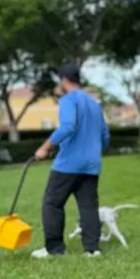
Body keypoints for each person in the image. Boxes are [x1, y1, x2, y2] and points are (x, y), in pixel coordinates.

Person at [31, 62, 110, 259]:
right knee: (88, 206)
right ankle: (93, 249)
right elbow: (104, 135)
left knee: (52, 203)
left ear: (64, 80)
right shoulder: (94, 103)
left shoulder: (68, 100)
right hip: (91, 164)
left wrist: (44, 147)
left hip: (68, 164)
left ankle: (54, 249)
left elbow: (67, 127)